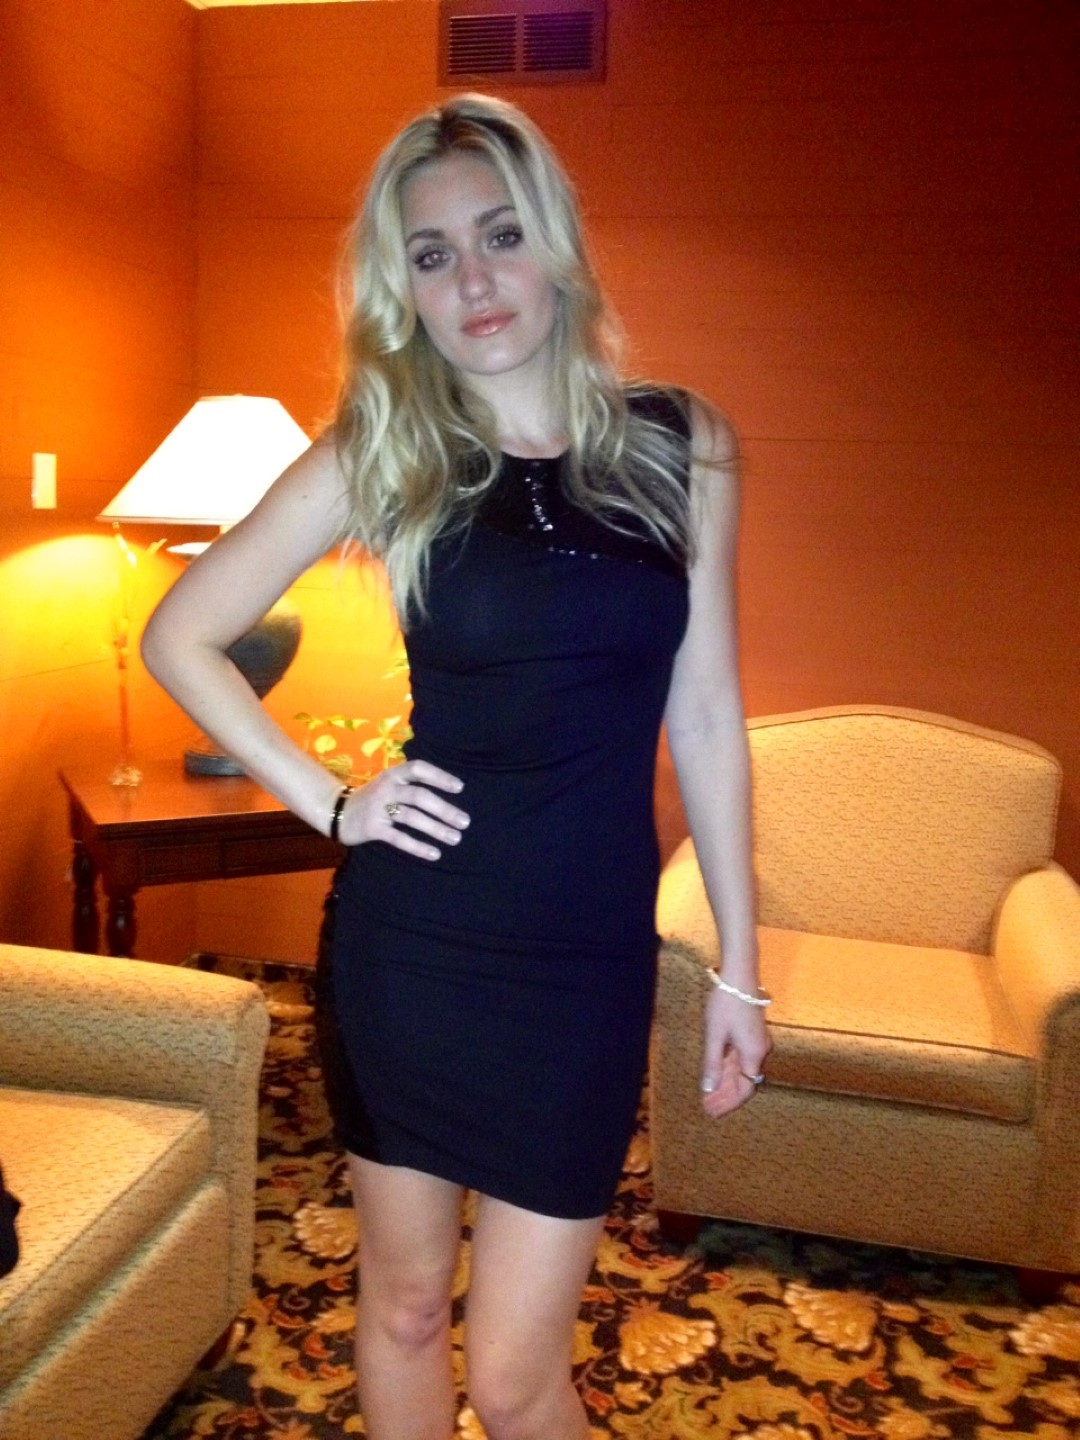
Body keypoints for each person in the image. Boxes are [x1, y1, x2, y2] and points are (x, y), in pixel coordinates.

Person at [142, 93, 770, 1440]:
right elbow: (180, 633)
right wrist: (331, 802)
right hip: (414, 950)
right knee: (407, 1309)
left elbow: (709, 714)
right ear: (404, 289)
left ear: (556, 242)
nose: (474, 281)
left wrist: (740, 966)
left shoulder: (684, 446)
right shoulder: (386, 453)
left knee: (521, 1379)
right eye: (432, 255)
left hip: (585, 966)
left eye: (500, 235)